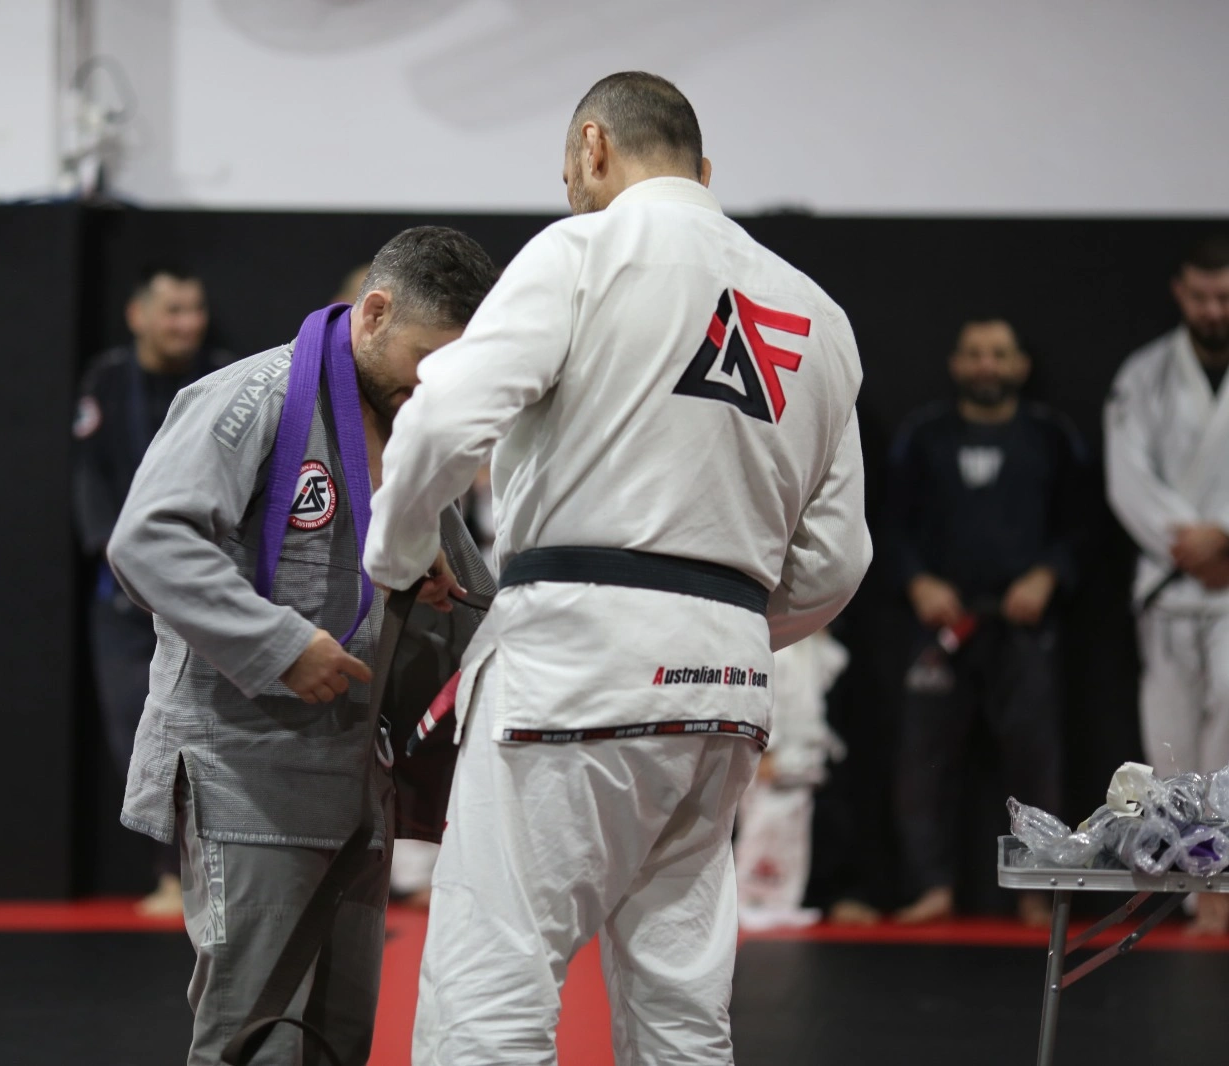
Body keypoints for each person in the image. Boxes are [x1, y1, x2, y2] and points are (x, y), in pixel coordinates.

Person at [365, 72, 871, 1066]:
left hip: (575, 663)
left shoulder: (584, 251)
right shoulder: (819, 316)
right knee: (681, 1006)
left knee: (491, 985)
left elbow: (441, 419)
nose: (570, 190)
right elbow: (837, 559)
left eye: (568, 170)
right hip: (725, 682)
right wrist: (714, 621)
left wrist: (396, 554)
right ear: (703, 171)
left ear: (594, 147)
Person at [105, 226, 498, 1065]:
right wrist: (278, 643)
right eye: (430, 357)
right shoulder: (255, 396)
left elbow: (460, 593)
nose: (438, 382)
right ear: (375, 313)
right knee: (256, 1041)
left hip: (354, 781)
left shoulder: (412, 421)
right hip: (247, 773)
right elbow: (148, 541)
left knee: (335, 1040)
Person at [883, 318, 1088, 927]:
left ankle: (1037, 890)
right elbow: (888, 520)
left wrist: (1048, 575)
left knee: (1035, 762)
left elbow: (1082, 524)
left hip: (1023, 623)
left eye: (999, 354)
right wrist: (917, 581)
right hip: (942, 621)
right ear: (955, 364)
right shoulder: (923, 435)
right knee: (922, 762)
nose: (986, 365)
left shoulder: (1050, 436)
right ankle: (931, 887)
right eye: (974, 353)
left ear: (1021, 365)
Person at [73, 263, 237, 917]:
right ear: (137, 315)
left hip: (204, 587)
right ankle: (170, 872)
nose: (186, 324)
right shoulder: (108, 381)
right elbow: (88, 478)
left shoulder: (227, 376)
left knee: (213, 733)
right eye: (172, 310)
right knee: (135, 733)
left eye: (195, 310)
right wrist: (121, 557)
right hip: (122, 594)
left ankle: (218, 871)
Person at [1105, 235, 1229, 936]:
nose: (1213, 310)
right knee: (1173, 747)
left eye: (1225, 297)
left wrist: (1225, 536)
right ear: (1181, 292)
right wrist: (1192, 545)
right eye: (1202, 296)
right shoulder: (1144, 374)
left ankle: (1225, 885)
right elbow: (1127, 480)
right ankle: (1195, 885)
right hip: (1169, 580)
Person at [734, 628, 848, 931]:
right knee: (763, 827)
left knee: (793, 836)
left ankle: (783, 902)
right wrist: (767, 748)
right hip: (777, 759)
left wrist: (821, 632)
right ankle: (748, 899)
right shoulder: (775, 649)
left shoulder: (809, 648)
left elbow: (835, 665)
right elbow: (764, 700)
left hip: (804, 760)